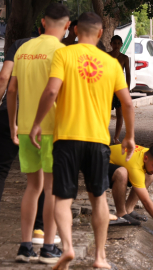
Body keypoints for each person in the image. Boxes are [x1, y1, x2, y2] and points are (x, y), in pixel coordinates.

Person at [29, 11, 135, 270]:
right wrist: (129, 136)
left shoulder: (63, 54)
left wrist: (36, 123)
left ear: (75, 31)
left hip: (66, 138)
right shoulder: (111, 63)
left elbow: (52, 90)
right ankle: (100, 258)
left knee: (62, 197)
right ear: (100, 34)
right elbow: (128, 103)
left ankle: (66, 248)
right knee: (98, 198)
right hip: (98, 140)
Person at [7, 3, 70, 264]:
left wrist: (13, 124)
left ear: (43, 22)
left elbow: (11, 90)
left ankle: (24, 247)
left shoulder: (23, 49)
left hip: (24, 128)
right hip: (53, 129)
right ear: (67, 27)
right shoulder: (63, 52)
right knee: (52, 189)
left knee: (32, 187)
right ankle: (47, 248)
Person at [0, 23, 61, 247]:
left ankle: (28, 241)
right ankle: (41, 232)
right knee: (47, 181)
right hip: (45, 123)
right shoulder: (59, 49)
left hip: (14, 116)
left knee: (6, 172)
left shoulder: (18, 46)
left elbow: (5, 79)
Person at [108, 144, 153, 237]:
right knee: (122, 173)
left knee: (150, 174)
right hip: (98, 163)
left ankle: (129, 209)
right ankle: (121, 214)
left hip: (119, 162)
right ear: (145, 158)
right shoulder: (135, 166)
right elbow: (145, 201)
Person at [108, 35, 131, 144]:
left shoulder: (124, 58)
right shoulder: (106, 56)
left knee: (119, 113)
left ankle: (116, 137)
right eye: (114, 43)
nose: (116, 45)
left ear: (121, 45)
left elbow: (128, 74)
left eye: (118, 43)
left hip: (119, 88)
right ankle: (103, 134)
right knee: (105, 113)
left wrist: (127, 89)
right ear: (111, 44)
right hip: (107, 87)